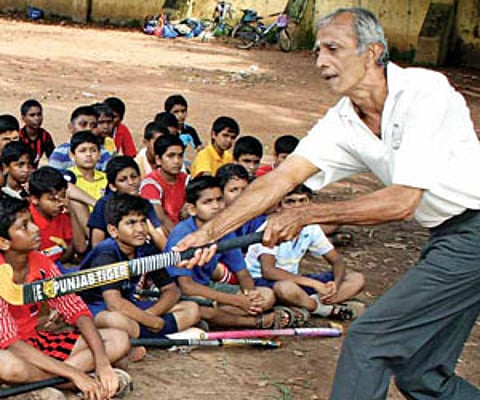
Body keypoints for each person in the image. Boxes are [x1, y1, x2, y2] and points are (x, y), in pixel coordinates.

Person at [175, 7, 480, 400]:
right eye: (318, 51)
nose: (320, 61)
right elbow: (282, 179)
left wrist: (307, 214)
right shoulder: (344, 121)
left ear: (372, 52)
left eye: (333, 49)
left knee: (369, 341)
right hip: (449, 235)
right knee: (422, 375)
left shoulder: (424, 93)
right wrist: (209, 233)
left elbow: (403, 201)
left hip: (472, 235)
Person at [0, 195, 131, 399]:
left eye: (32, 222)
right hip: (10, 350)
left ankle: (45, 384)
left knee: (119, 339)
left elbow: (75, 308)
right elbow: (10, 342)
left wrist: (102, 362)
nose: (35, 229)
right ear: (4, 242)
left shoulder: (41, 262)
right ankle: (73, 383)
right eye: (24, 226)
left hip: (36, 342)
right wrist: (75, 373)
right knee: (6, 364)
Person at [166, 176, 294, 329]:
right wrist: (237, 301)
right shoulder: (182, 234)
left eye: (219, 200)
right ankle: (249, 322)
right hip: (180, 293)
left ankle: (216, 318)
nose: (216, 206)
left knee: (266, 295)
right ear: (192, 209)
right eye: (208, 202)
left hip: (209, 288)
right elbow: (187, 287)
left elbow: (242, 273)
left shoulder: (223, 230)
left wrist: (250, 294)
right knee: (199, 307)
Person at [80, 193, 200, 347]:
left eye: (143, 221)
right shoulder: (106, 253)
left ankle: (144, 339)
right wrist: (151, 322)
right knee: (113, 320)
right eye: (131, 223)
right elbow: (114, 303)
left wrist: (151, 315)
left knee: (192, 309)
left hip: (131, 308)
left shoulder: (146, 249)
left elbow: (171, 290)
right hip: (99, 308)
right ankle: (162, 337)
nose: (140, 229)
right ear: (113, 230)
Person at [245, 184, 365, 320]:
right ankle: (323, 309)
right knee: (285, 288)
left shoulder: (311, 228)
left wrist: (335, 285)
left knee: (356, 279)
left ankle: (309, 303)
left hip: (295, 281)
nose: (297, 206)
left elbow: (337, 261)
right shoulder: (271, 227)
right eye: (290, 202)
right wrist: (313, 284)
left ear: (310, 204)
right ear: (278, 207)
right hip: (263, 282)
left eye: (302, 201)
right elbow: (268, 271)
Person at [89, 156, 166, 250]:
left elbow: (160, 237)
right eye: (123, 180)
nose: (131, 182)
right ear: (113, 186)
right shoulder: (103, 205)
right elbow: (97, 245)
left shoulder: (145, 203)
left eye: (134, 177)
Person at [28, 166, 85, 263]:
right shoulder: (27, 219)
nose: (60, 203)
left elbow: (80, 248)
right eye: (52, 199)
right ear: (35, 199)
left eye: (62, 196)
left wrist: (72, 213)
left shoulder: (62, 215)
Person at [140, 134, 188, 234]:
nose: (177, 161)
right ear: (158, 159)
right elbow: (160, 219)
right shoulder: (150, 184)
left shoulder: (186, 179)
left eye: (180, 156)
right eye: (171, 156)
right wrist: (179, 239)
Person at [49, 105, 113, 172]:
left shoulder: (103, 153)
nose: (88, 128)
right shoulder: (60, 154)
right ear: (71, 127)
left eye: (93, 125)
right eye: (83, 124)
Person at [68, 131, 107, 208]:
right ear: (72, 155)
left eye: (93, 150)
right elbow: (66, 188)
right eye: (82, 151)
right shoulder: (67, 175)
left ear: (99, 154)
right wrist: (96, 205)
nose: (88, 154)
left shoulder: (106, 178)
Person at [19, 99, 55, 167]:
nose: (37, 118)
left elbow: (53, 159)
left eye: (39, 114)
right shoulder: (19, 136)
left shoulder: (45, 136)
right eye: (32, 115)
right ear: (23, 118)